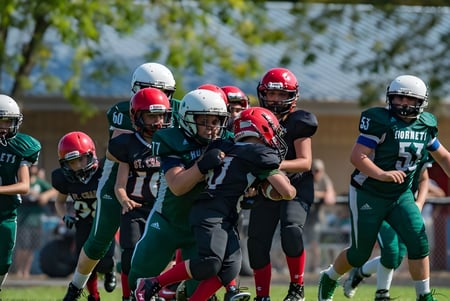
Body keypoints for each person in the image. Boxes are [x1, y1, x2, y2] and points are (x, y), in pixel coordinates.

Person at [134, 106, 296, 301]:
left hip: (219, 212)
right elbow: (288, 193)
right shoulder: (258, 154)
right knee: (209, 263)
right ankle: (153, 283)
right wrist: (282, 181)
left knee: (230, 268)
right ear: (262, 129)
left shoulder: (227, 146)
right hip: (212, 213)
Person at [318, 75, 450, 301]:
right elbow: (357, 156)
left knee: (419, 243)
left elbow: (444, 157)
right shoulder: (381, 121)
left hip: (401, 195)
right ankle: (329, 277)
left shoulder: (425, 125)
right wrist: (382, 174)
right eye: (398, 97)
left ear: (421, 102)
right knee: (359, 254)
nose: (403, 103)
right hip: (368, 192)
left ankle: (424, 295)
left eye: (409, 99)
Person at [62, 62, 176, 301]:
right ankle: (75, 287)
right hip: (120, 179)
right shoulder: (122, 112)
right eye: (154, 90)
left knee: (168, 241)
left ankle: (160, 291)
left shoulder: (176, 110)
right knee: (99, 240)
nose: (159, 99)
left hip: (158, 182)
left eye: (165, 92)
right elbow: (127, 151)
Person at [128, 89, 252, 301]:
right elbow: (177, 186)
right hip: (169, 220)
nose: (212, 126)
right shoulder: (171, 139)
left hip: (203, 226)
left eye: (216, 120)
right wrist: (202, 165)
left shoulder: (228, 140)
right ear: (187, 118)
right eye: (204, 120)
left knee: (198, 292)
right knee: (139, 278)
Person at [247, 67, 318, 301]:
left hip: (295, 188)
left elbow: (305, 162)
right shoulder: (254, 118)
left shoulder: (298, 121)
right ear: (262, 94)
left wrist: (272, 166)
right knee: (257, 243)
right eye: (271, 94)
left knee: (291, 231)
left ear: (292, 96)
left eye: (281, 95)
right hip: (264, 188)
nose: (275, 100)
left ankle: (297, 288)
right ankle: (262, 295)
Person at [342, 157, 445, 300]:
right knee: (390, 252)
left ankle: (360, 273)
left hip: (404, 209)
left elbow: (424, 179)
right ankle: (381, 293)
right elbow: (360, 156)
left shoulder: (419, 143)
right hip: (380, 204)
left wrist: (419, 203)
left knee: (395, 258)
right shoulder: (388, 146)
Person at [111, 87, 172, 300]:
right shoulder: (128, 144)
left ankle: (157, 292)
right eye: (151, 115)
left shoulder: (170, 142)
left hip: (162, 208)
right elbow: (119, 185)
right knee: (130, 256)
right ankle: (128, 296)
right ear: (137, 116)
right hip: (136, 208)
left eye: (160, 115)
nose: (157, 121)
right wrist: (124, 199)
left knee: (164, 254)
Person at [54, 131, 116, 301]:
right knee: (84, 263)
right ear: (66, 164)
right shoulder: (66, 180)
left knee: (105, 260)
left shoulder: (104, 172)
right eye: (73, 162)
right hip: (83, 224)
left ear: (91, 155)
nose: (79, 165)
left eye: (82, 159)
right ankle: (94, 295)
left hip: (103, 223)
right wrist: (65, 216)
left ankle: (110, 270)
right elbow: (59, 202)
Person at [0, 94, 41, 293]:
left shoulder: (22, 147)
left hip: (6, 213)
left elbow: (24, 186)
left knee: (4, 262)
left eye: (7, 121)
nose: (3, 126)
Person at [14, 165, 57, 279]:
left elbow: (54, 190)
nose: (33, 168)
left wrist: (44, 196)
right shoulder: (21, 181)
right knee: (23, 247)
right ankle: (19, 271)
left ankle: (26, 272)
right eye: (30, 166)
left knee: (31, 248)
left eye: (34, 166)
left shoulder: (39, 182)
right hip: (23, 219)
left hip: (36, 219)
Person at [304, 158, 336, 273]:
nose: (315, 173)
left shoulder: (324, 179)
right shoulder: (306, 177)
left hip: (317, 219)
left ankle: (315, 267)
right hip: (304, 217)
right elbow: (307, 192)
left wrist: (323, 194)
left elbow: (330, 198)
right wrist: (321, 194)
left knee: (315, 244)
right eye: (314, 170)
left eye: (318, 170)